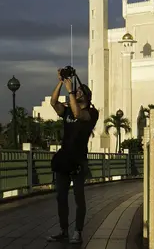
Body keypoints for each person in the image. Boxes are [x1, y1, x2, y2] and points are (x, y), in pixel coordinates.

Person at [46, 69, 99, 244]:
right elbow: (54, 102)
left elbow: (78, 113)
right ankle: (63, 231)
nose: (77, 92)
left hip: (78, 160)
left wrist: (70, 92)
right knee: (61, 197)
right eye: (76, 91)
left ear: (87, 97)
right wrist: (61, 82)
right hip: (64, 159)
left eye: (80, 92)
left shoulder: (91, 113)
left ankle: (78, 231)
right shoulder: (67, 109)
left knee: (78, 198)